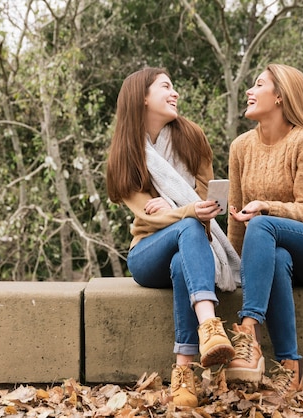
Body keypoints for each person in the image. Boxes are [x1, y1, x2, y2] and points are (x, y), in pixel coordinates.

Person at [106, 67, 241, 407]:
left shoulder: (192, 137)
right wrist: (184, 210)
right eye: (166, 87)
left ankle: (184, 374)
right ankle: (210, 325)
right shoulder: (126, 151)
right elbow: (147, 218)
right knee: (187, 224)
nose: (175, 93)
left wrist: (183, 208)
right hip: (146, 254)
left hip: (194, 247)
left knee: (186, 251)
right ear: (143, 97)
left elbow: (205, 210)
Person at [225, 64, 303, 395]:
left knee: (263, 224)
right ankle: (289, 369)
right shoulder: (240, 147)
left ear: (280, 96)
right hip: (275, 254)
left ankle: (248, 331)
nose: (249, 92)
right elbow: (236, 219)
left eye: (258, 84)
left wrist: (266, 206)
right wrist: (236, 270)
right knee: (276, 256)